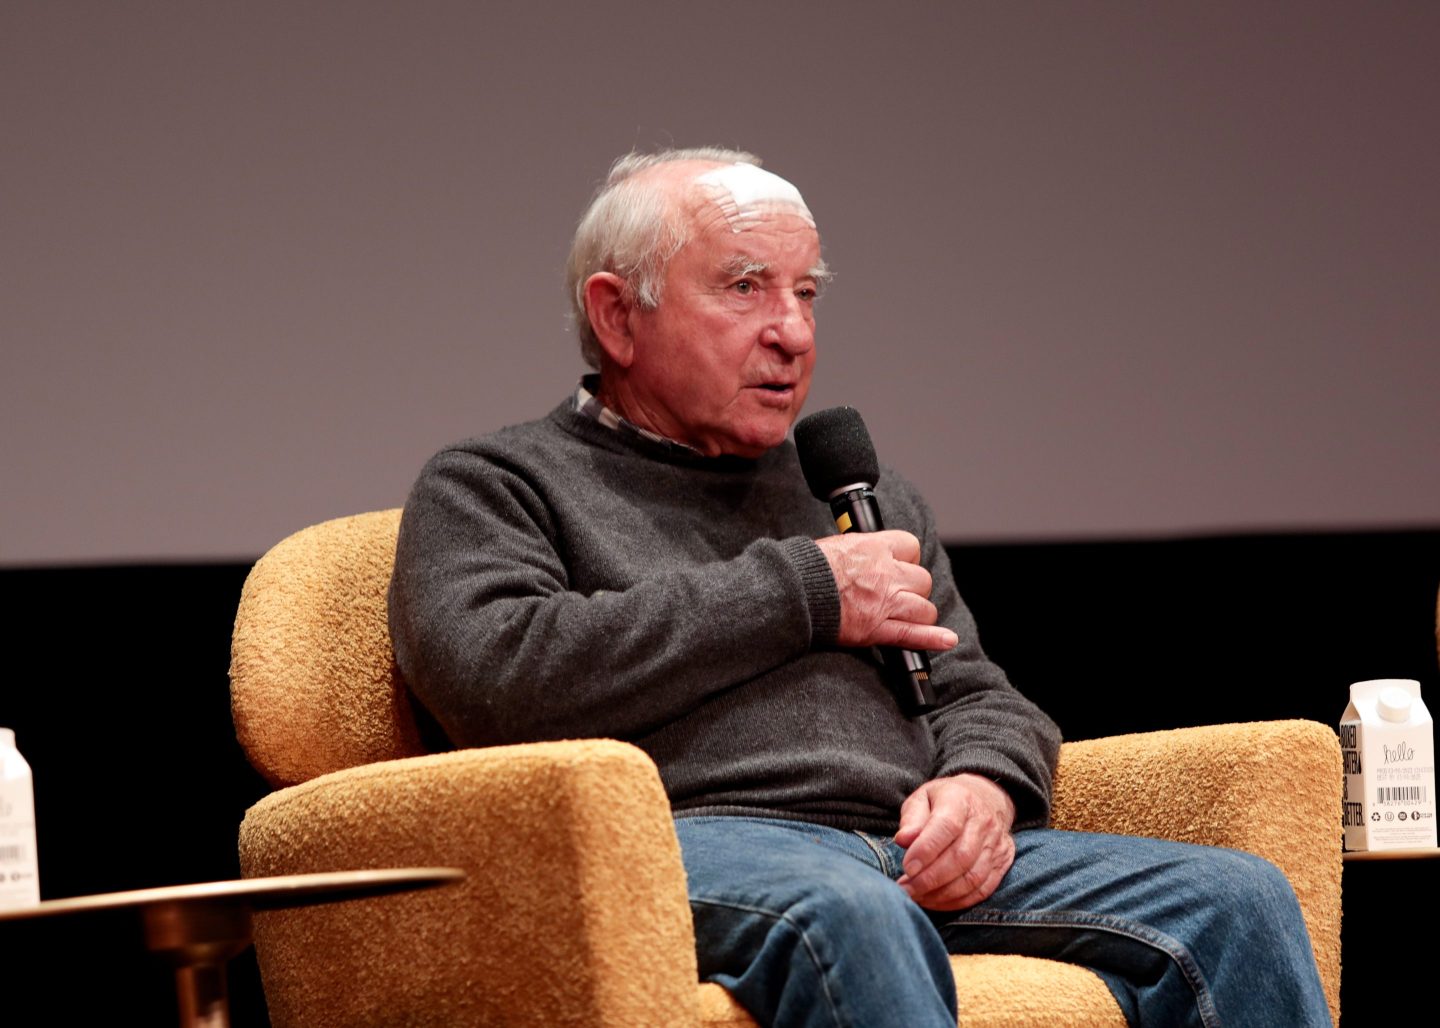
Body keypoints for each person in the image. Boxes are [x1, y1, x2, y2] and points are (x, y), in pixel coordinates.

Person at [387, 147, 1330, 1027]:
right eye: (745, 287)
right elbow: (493, 677)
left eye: (806, 293)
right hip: (688, 843)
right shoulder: (497, 483)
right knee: (851, 911)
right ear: (617, 315)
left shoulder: (855, 496)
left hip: (904, 844)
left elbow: (977, 693)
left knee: (1235, 899)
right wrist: (804, 590)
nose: (792, 333)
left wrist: (983, 787)